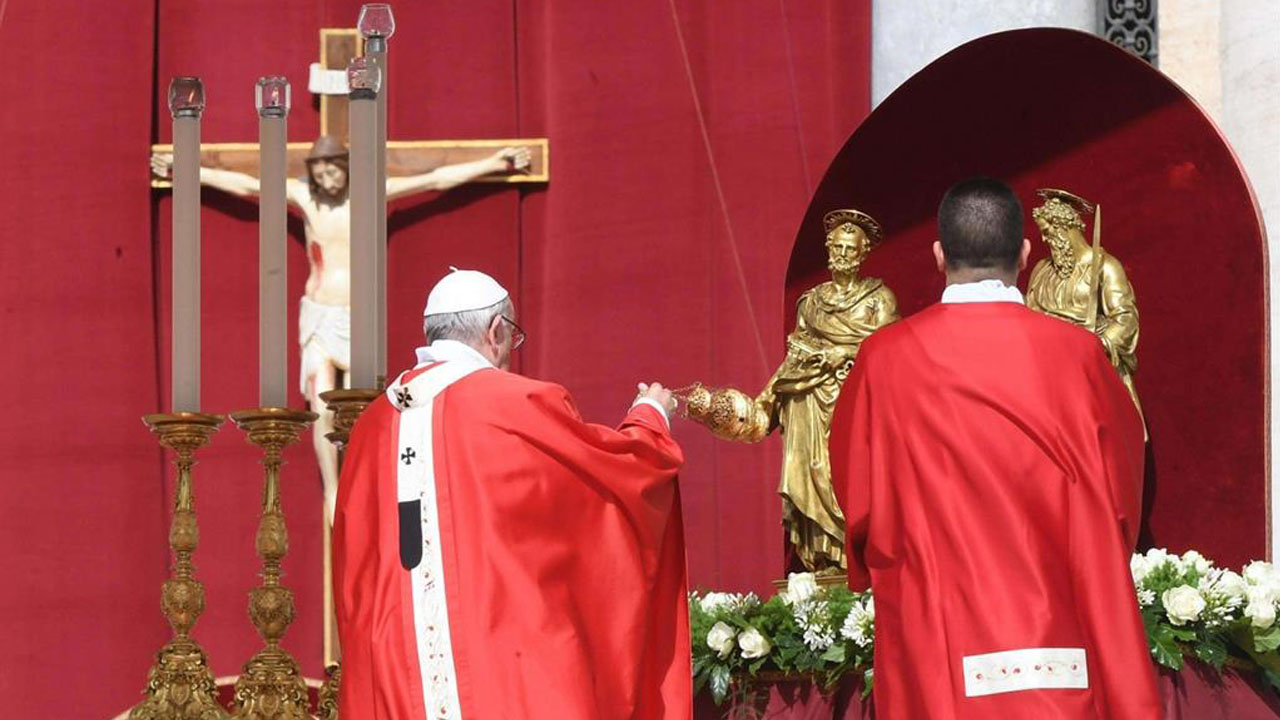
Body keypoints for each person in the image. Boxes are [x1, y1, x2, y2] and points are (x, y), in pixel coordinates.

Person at [829, 178, 1158, 719]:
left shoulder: (883, 361)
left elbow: (859, 500)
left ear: (938, 256)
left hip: (938, 635)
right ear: (1026, 254)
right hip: (1060, 634)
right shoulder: (1079, 357)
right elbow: (1121, 494)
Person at [332, 269, 690, 719]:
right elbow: (613, 484)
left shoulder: (369, 427)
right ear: (496, 330)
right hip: (501, 673)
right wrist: (650, 417)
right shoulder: (514, 405)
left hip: (392, 676)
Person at [151, 138, 532, 525]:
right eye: (320, 171)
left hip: (358, 318)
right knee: (321, 406)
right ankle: (332, 488)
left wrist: (492, 162)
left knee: (366, 407)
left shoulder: (370, 194)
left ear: (346, 167)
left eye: (333, 168)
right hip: (318, 314)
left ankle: (365, 484)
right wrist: (187, 170)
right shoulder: (303, 196)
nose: (327, 177)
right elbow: (247, 185)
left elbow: (435, 179)